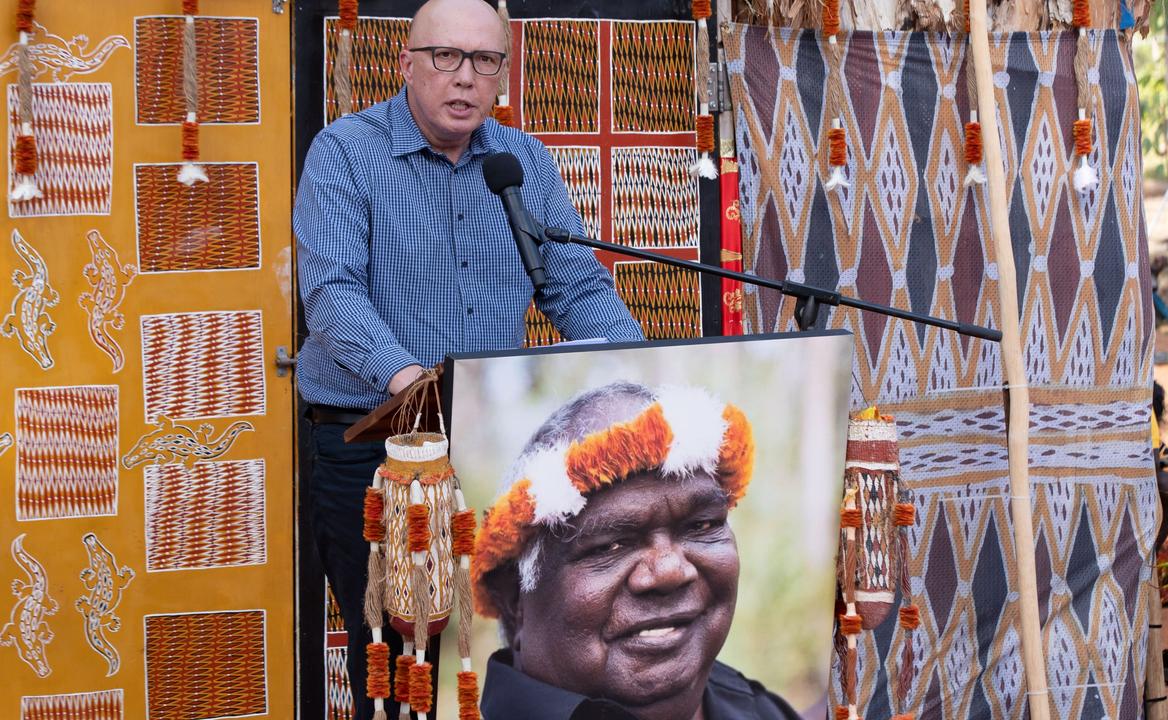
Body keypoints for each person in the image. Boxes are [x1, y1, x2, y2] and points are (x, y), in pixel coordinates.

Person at [293, 0, 644, 716]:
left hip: (486, 444)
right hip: (374, 450)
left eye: (485, 62)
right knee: (399, 669)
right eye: (446, 57)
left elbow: (575, 285)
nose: (465, 79)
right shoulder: (344, 152)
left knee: (488, 655)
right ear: (407, 64)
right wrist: (414, 386)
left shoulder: (523, 164)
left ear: (502, 75)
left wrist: (638, 378)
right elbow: (330, 294)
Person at [471, 382, 800, 720]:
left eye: (701, 526)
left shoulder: (765, 711)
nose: (671, 570)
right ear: (515, 600)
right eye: (610, 546)